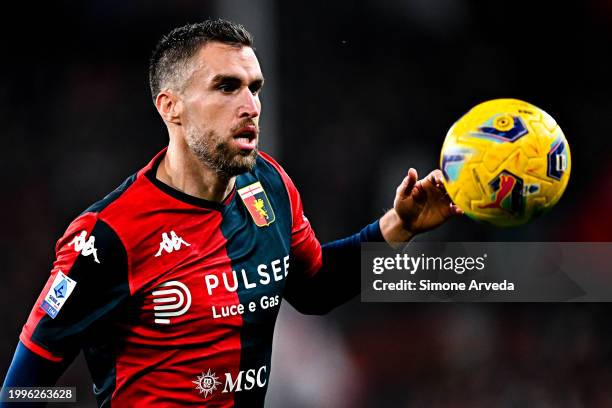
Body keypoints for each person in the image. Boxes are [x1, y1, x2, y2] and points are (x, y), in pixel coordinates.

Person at [1, 19, 461, 407]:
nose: (250, 106)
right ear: (171, 107)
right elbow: (19, 393)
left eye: (254, 88)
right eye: (226, 87)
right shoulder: (108, 236)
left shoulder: (269, 185)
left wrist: (398, 226)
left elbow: (314, 288)